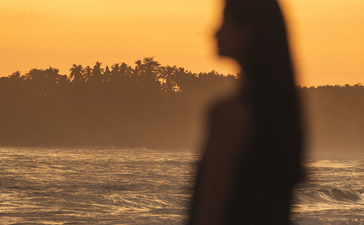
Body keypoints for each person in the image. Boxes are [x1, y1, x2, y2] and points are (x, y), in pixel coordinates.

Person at [188, 0, 304, 224]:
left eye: (224, 21)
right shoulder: (283, 118)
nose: (214, 31)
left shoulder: (229, 116)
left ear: (247, 31)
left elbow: (209, 215)